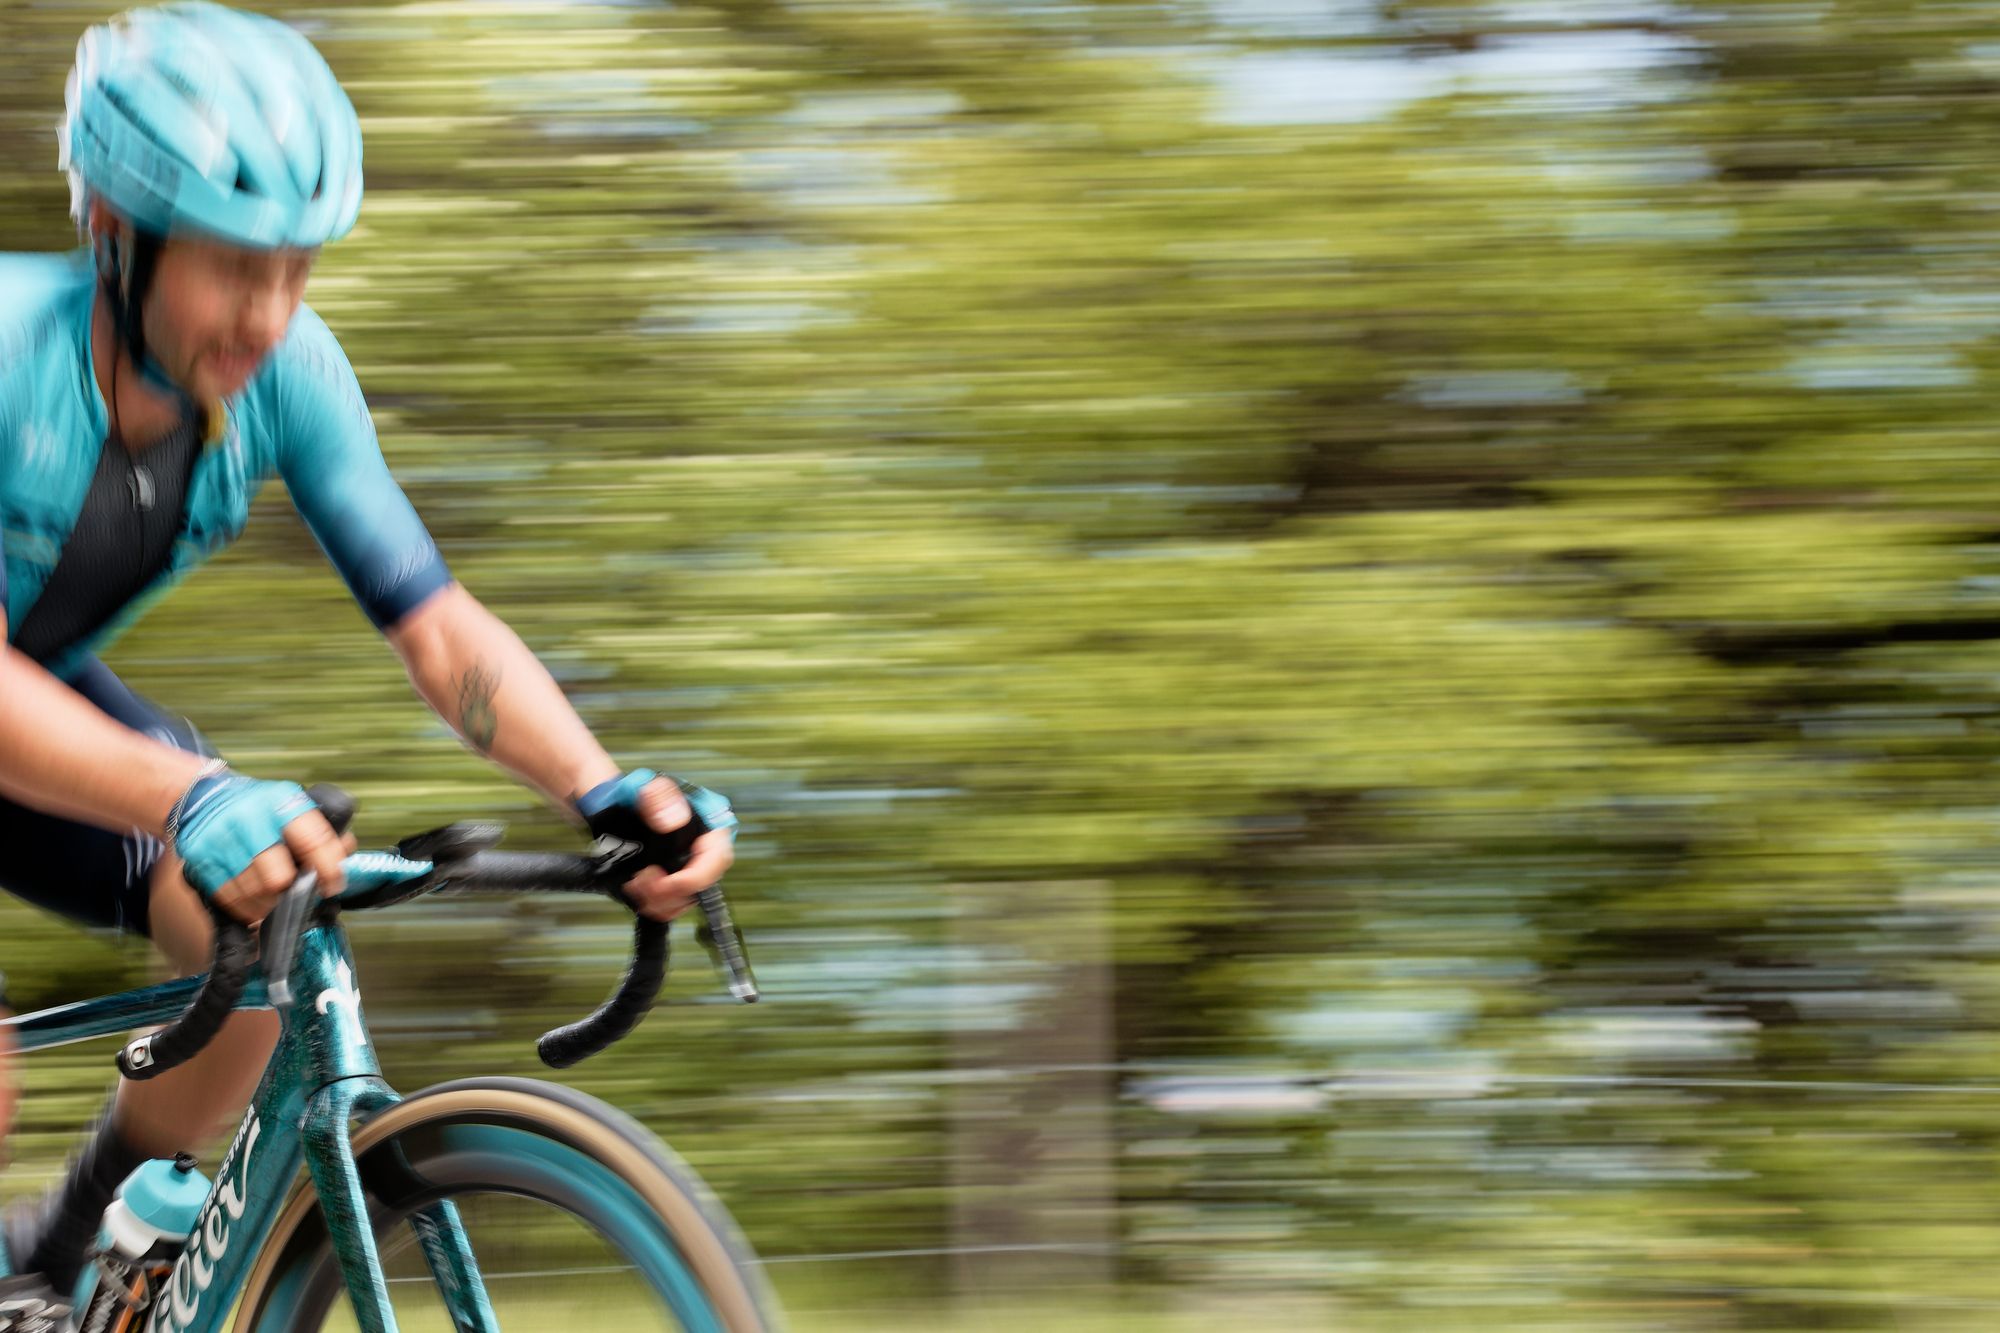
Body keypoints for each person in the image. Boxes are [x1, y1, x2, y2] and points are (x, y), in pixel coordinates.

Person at [0, 1, 735, 1312]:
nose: (268, 314)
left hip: (29, 708)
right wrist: (190, 793)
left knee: (257, 937)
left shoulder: (286, 379)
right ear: (113, 226)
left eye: (297, 267)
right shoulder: (12, 352)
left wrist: (603, 790)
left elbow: (436, 625)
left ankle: (54, 1258)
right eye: (233, 267)